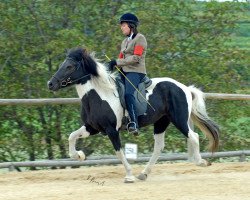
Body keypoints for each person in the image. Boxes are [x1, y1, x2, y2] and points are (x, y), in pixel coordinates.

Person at [108, 13, 147, 136]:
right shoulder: (124, 41)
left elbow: (136, 58)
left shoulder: (140, 38)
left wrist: (117, 62)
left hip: (136, 71)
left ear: (131, 26)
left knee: (129, 94)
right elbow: (120, 58)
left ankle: (134, 123)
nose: (121, 28)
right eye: (121, 26)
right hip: (124, 71)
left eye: (123, 25)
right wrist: (111, 65)